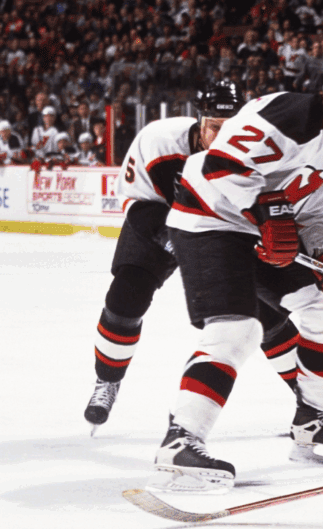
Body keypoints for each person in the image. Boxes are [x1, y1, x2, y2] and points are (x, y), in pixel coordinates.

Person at [148, 47, 323, 493]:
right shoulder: (292, 113)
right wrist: (268, 211)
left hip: (259, 233)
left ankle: (313, 421)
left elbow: (316, 227)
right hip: (209, 220)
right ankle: (180, 439)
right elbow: (222, 164)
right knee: (237, 330)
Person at [83, 82, 305, 431]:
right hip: (160, 220)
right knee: (125, 296)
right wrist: (172, 239)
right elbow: (136, 204)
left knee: (266, 314)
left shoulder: (256, 153)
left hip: (220, 231)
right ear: (199, 122)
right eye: (216, 126)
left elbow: (272, 210)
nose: (223, 135)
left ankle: (309, 402)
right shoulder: (158, 140)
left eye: (231, 127)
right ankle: (107, 381)